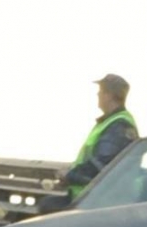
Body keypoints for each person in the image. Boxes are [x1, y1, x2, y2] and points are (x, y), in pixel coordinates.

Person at [42, 74, 138, 213]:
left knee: (47, 208)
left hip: (101, 203)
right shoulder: (111, 122)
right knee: (48, 205)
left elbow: (100, 165)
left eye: (100, 91)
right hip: (93, 198)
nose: (97, 95)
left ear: (109, 95)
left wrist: (69, 176)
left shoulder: (118, 126)